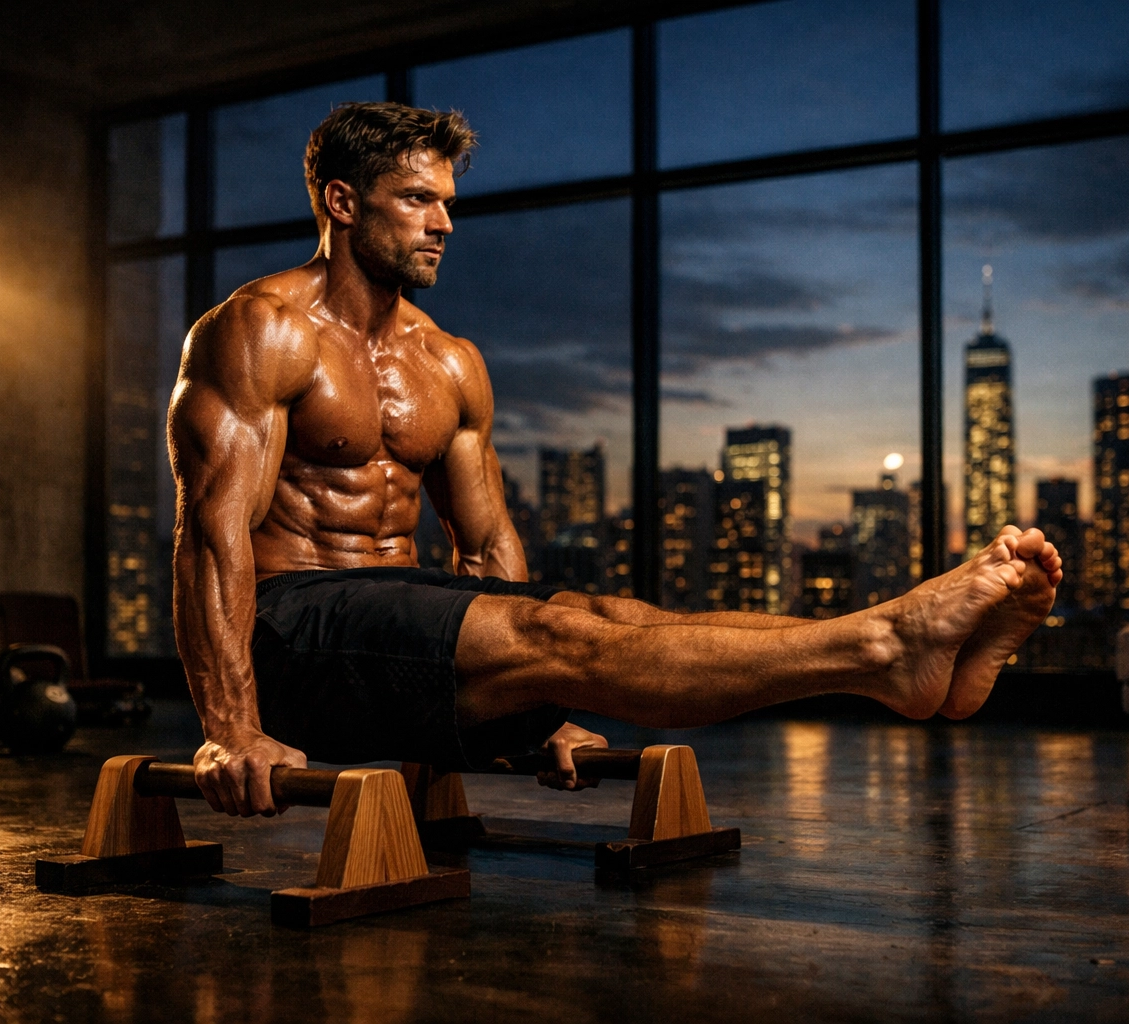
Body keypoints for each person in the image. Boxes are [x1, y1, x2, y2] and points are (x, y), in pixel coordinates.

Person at [167, 102, 1063, 818]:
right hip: (294, 635)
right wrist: (233, 728)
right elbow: (211, 537)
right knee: (559, 636)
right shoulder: (262, 331)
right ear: (342, 202)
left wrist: (539, 713)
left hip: (411, 635)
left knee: (602, 613)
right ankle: (885, 641)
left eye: (448, 201)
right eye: (416, 200)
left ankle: (886, 658)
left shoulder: (448, 362)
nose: (444, 222)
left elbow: (486, 559)